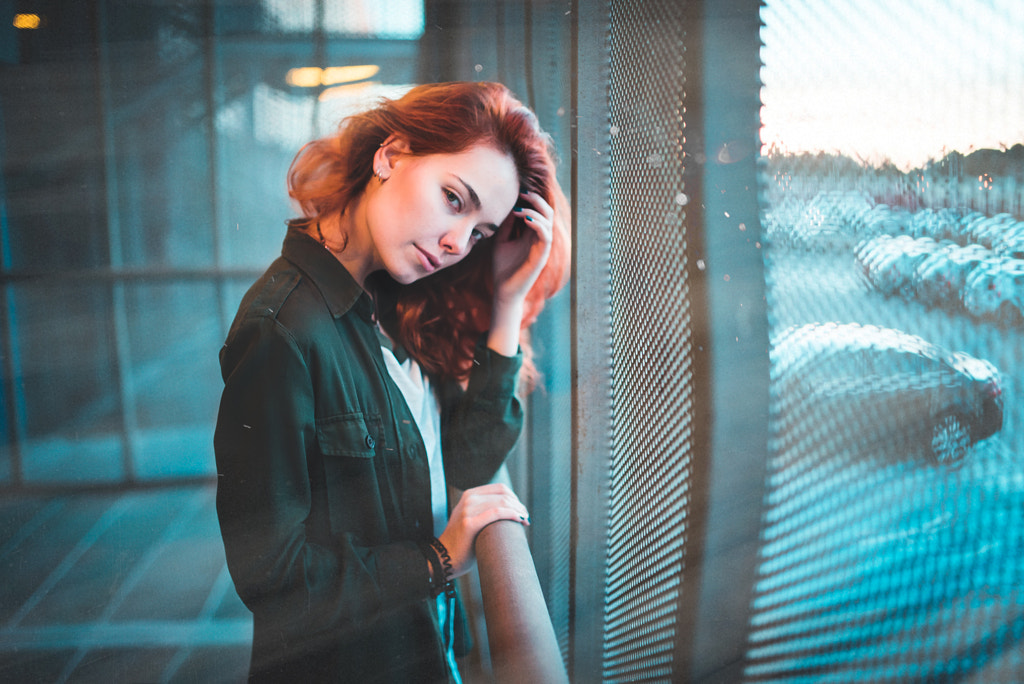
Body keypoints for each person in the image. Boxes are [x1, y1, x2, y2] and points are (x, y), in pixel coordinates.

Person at [213, 81, 570, 683]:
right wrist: (436, 559)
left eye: (481, 232)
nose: (459, 243)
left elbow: (466, 459)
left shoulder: (397, 300)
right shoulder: (283, 331)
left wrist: (508, 304)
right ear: (391, 156)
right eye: (455, 199)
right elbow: (270, 575)